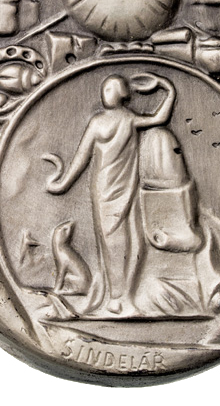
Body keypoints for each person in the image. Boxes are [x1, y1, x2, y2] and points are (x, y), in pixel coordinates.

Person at [44, 73, 176, 316]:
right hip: (111, 190)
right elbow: (82, 156)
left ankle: (124, 298)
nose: (105, 94)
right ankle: (117, 299)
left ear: (119, 94)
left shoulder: (117, 120)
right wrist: (63, 183)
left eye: (109, 89)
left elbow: (160, 119)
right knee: (119, 242)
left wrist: (168, 89)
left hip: (120, 189)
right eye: (106, 89)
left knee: (128, 242)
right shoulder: (115, 120)